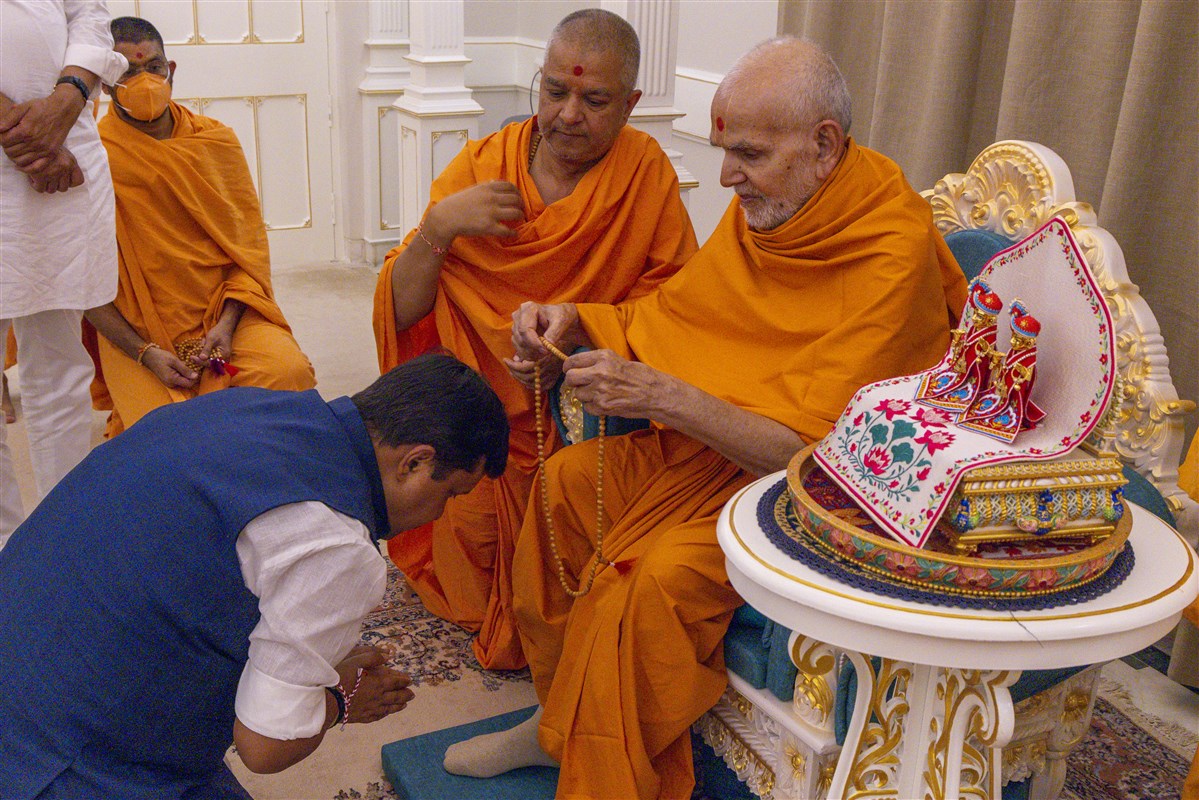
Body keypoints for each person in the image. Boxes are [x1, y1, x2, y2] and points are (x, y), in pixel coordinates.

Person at [445, 38, 970, 798]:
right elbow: (679, 315)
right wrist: (575, 320)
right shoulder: (773, 211)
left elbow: (813, 457)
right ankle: (559, 724)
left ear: (822, 145)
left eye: (748, 155)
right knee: (561, 485)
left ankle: (601, 763)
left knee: (653, 579)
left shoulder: (886, 249)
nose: (727, 177)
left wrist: (659, 397)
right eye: (727, 151)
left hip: (812, 496)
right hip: (711, 451)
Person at [0, 353, 509, 799]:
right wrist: (342, 699)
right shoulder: (336, 544)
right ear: (416, 463)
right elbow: (264, 747)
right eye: (451, 495)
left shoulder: (250, 404)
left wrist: (314, 664)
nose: (440, 515)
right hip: (57, 764)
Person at [372, 8, 697, 669]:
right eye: (555, 90)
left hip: (581, 412)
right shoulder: (484, 166)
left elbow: (672, 313)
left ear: (631, 104)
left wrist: (574, 334)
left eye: (594, 99)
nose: (569, 114)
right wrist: (439, 225)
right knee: (464, 550)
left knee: (567, 568)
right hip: (481, 413)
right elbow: (403, 310)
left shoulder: (644, 175)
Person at [85, 16, 315, 438]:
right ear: (105, 83)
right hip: (137, 333)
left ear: (170, 71)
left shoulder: (215, 143)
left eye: (152, 68)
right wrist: (145, 353)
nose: (145, 82)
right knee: (166, 435)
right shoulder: (93, 158)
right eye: (127, 72)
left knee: (288, 376)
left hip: (223, 315)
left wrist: (226, 327)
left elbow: (246, 254)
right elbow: (81, 283)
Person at [0, 0, 128, 545]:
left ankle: (61, 548)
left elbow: (90, 13)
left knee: (61, 369)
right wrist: (28, 136)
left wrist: (65, 101)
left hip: (67, 148)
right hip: (45, 153)